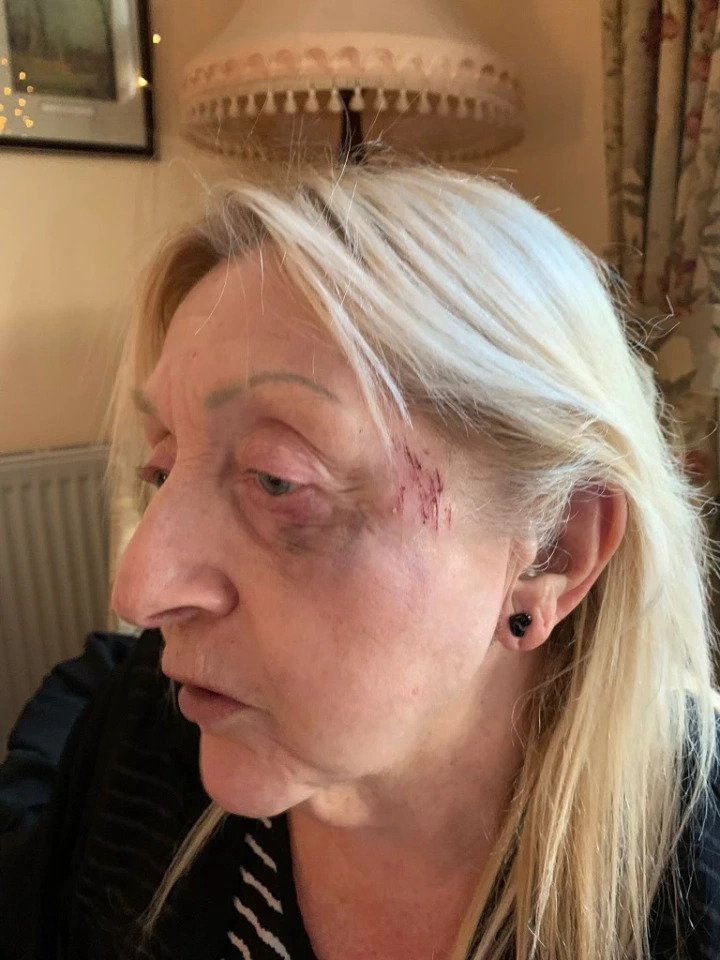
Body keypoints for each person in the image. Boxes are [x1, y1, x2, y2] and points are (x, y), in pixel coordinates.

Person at [2, 155, 719, 960]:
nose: (140, 589)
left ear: (553, 553)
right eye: (162, 469)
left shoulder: (690, 900)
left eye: (278, 480)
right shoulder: (142, 748)